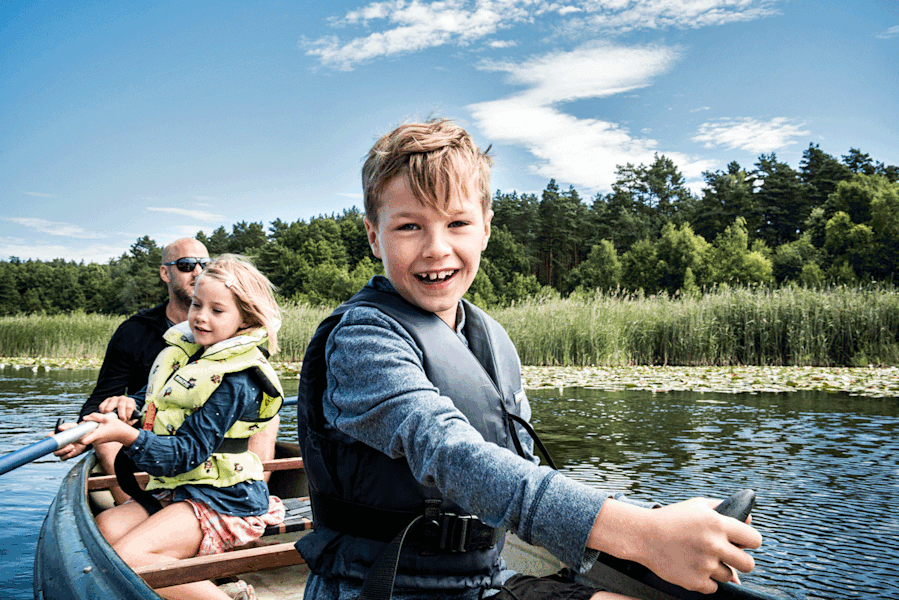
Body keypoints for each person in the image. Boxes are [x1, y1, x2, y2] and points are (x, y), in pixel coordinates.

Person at [295, 118, 763, 600]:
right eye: (410, 226)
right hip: (383, 588)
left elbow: (523, 470)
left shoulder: (489, 341)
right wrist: (641, 534)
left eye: (457, 223)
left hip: (484, 581)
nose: (437, 249)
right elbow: (449, 452)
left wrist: (655, 520)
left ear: (486, 228)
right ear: (374, 237)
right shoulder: (361, 341)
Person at [77, 254, 286, 600]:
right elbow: (153, 400)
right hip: (182, 487)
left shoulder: (238, 379)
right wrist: (128, 406)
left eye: (217, 311)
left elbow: (185, 454)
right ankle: (212, 587)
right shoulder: (187, 355)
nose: (201, 317)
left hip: (224, 497)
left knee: (130, 559)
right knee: (104, 531)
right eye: (196, 305)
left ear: (245, 318)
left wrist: (125, 435)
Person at [55, 238, 280, 504]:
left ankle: (251, 500)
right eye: (186, 265)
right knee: (106, 435)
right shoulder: (134, 332)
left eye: (204, 264)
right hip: (148, 430)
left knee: (269, 417)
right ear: (165, 273)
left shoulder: (232, 346)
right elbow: (102, 396)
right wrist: (83, 433)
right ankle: (132, 506)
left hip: (204, 438)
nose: (197, 271)